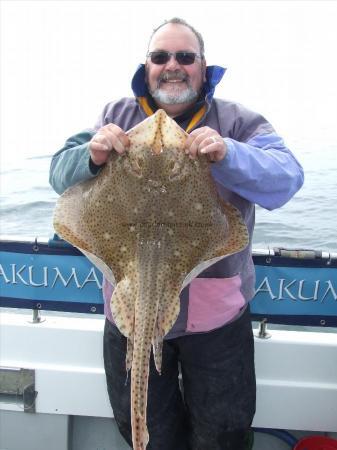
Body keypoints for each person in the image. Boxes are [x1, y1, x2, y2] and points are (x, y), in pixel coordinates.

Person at [49, 17, 304, 450]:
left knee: (223, 434)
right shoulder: (115, 116)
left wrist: (228, 154)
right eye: (160, 56)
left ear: (204, 68)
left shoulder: (239, 122)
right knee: (145, 433)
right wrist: (91, 156)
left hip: (216, 322)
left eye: (185, 57)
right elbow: (60, 172)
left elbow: (286, 178)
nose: (172, 65)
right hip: (128, 308)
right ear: (145, 66)